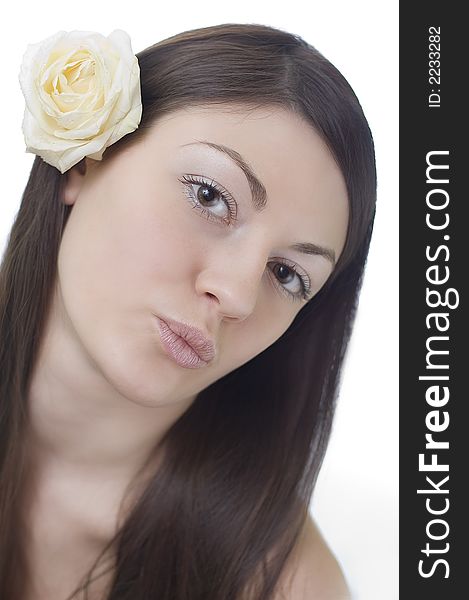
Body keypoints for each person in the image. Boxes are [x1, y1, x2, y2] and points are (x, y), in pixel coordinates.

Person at [0, 22, 376, 599]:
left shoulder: (287, 586)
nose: (238, 295)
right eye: (209, 196)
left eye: (287, 274)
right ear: (85, 160)